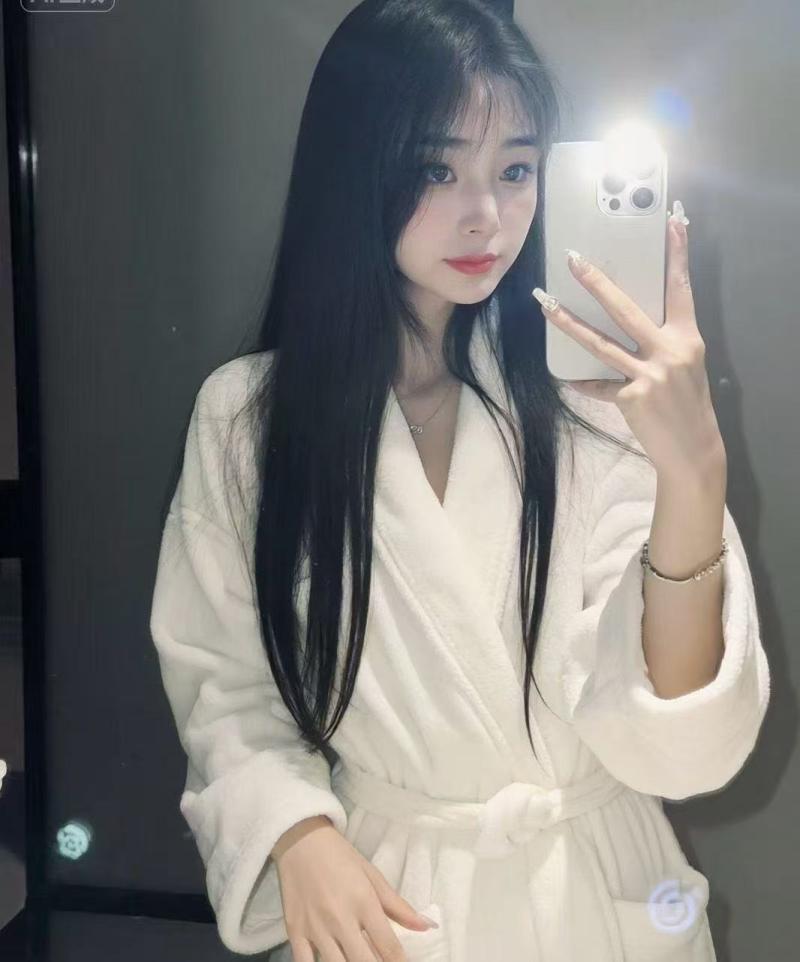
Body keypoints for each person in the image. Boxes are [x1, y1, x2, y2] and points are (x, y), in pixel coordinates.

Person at [148, 2, 770, 960]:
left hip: (596, 899)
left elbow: (681, 739)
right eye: (438, 169)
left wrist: (694, 474)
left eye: (515, 170)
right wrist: (294, 832)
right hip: (395, 903)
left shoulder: (601, 401)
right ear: (357, 165)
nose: (487, 214)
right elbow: (223, 682)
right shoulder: (248, 420)